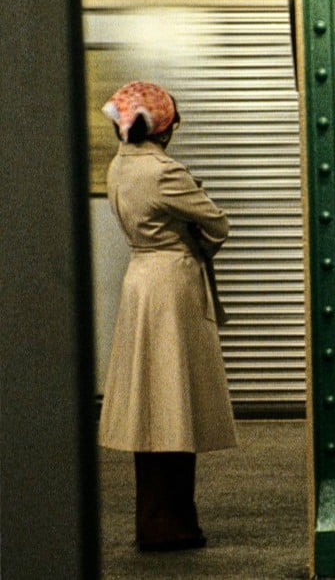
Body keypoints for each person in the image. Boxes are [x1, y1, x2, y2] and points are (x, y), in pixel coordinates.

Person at [98, 81, 237, 551]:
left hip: (140, 279)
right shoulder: (164, 172)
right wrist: (197, 240)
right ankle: (173, 522)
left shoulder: (118, 166)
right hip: (172, 285)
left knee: (151, 405)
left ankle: (156, 518)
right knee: (175, 402)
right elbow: (217, 221)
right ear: (163, 126)